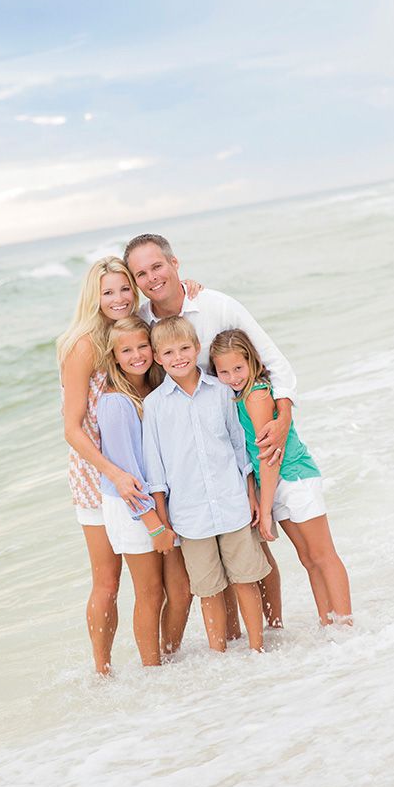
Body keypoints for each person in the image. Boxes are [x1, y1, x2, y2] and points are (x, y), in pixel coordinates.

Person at [124, 232, 291, 629]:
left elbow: (274, 363)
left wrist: (283, 419)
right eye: (141, 273)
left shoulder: (217, 305)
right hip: (190, 470)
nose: (152, 278)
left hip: (240, 445)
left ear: (175, 263)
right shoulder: (143, 323)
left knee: (254, 558)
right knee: (215, 578)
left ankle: (276, 632)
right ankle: (234, 643)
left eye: (157, 266)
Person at [57, 257, 200, 675]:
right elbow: (72, 427)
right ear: (93, 297)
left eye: (124, 289)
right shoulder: (83, 344)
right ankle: (102, 670)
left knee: (156, 582)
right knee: (107, 579)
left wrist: (186, 287)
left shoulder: (132, 329)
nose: (118, 298)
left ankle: (158, 658)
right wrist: (114, 474)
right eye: (107, 292)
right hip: (95, 469)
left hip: (135, 466)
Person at [209, 328, 353, 626]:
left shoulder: (257, 396)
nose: (233, 377)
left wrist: (264, 509)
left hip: (294, 477)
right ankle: (329, 623)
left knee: (323, 555)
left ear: (252, 362)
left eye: (239, 368)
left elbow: (269, 457)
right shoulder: (238, 397)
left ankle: (346, 623)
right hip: (274, 485)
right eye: (224, 372)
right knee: (308, 559)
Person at [142, 316, 269, 652]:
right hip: (190, 515)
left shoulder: (221, 393)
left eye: (185, 348)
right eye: (168, 352)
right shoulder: (154, 406)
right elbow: (155, 469)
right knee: (208, 590)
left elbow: (240, 448)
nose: (178, 356)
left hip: (232, 505)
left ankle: (258, 650)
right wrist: (162, 519)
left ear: (197, 349)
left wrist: (251, 495)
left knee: (246, 580)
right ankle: (220, 658)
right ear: (157, 357)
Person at [97, 316, 192, 665]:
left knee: (181, 591)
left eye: (142, 346)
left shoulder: (154, 388)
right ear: (114, 356)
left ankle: (171, 656)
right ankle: (153, 669)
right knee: (150, 593)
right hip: (133, 508)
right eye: (126, 350)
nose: (137, 355)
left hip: (161, 503)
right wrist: (154, 525)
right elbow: (127, 475)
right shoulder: (115, 403)